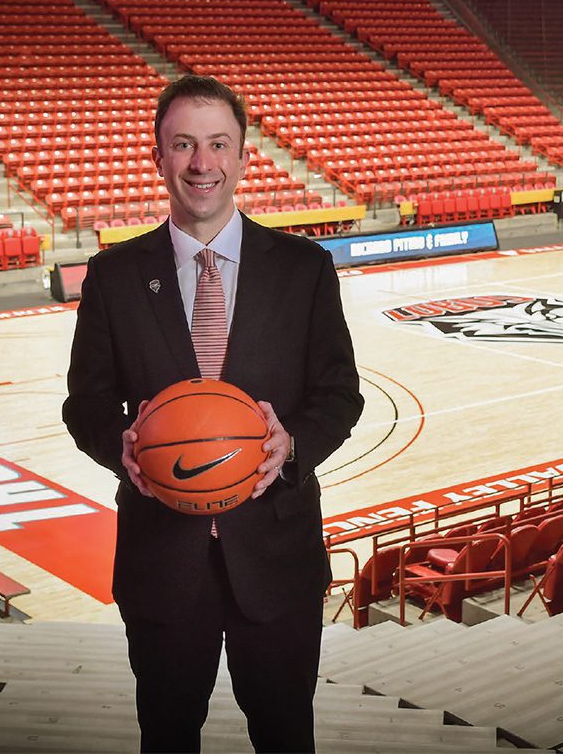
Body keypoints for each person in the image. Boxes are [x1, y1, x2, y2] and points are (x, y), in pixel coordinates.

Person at [63, 74, 363, 753]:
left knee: (288, 736)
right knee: (167, 738)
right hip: (162, 561)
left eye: (218, 144)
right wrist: (126, 449)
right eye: (184, 145)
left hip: (276, 557)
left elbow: (341, 394)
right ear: (158, 156)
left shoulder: (304, 269)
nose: (202, 164)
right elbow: (84, 404)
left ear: (243, 156)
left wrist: (293, 445)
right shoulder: (112, 278)